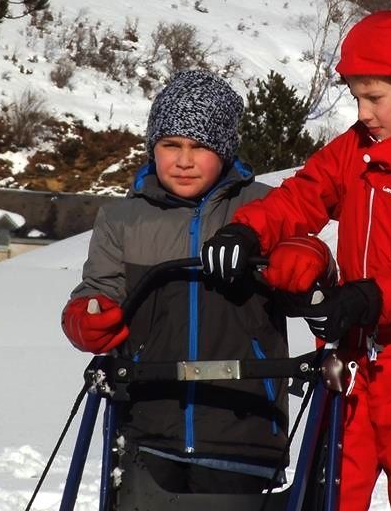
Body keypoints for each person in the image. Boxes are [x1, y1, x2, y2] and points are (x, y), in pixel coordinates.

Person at [201, 11, 391, 511]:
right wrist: (248, 229)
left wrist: (373, 296)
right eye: (356, 97)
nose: (364, 112)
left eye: (376, 98)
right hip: (347, 358)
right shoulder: (354, 151)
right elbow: (304, 196)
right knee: (330, 488)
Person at [60, 69, 332, 503]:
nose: (183, 160)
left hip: (242, 423)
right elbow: (98, 290)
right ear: (153, 148)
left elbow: (312, 274)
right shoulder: (123, 219)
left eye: (199, 147)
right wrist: (84, 317)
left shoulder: (264, 206)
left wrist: (309, 261)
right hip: (147, 424)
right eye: (171, 145)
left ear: (224, 151)